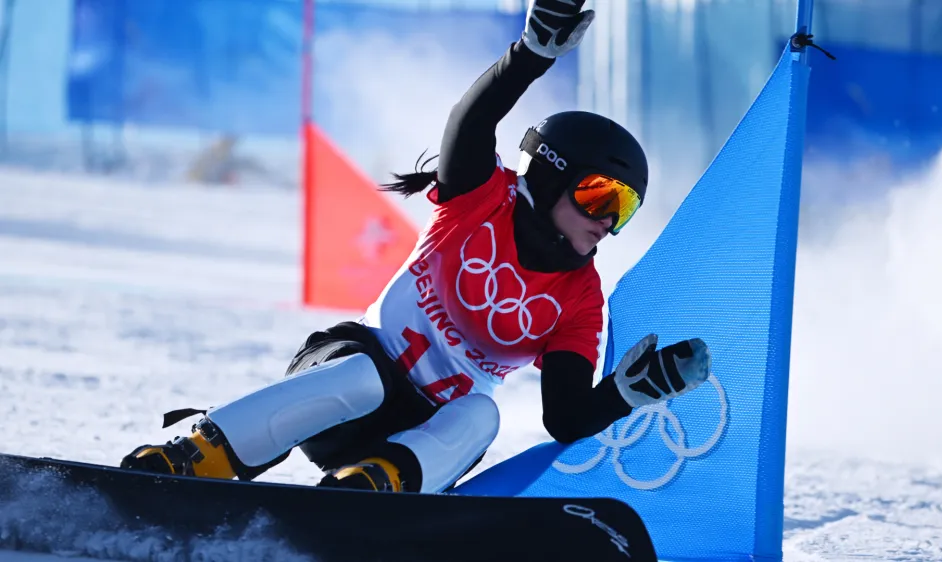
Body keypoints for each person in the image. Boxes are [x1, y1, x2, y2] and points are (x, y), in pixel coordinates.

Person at [120, 0, 712, 495]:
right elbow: (471, 122)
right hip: (343, 377)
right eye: (598, 196)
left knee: (482, 414)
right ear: (553, 175)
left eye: (623, 209)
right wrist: (530, 54)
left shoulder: (581, 299)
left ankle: (372, 494)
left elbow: (563, 417)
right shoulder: (486, 198)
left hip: (417, 436)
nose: (607, 222)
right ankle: (198, 455)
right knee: (364, 379)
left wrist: (627, 393)